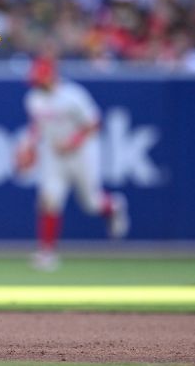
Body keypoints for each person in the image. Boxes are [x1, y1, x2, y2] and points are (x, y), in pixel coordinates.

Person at [16, 56, 130, 271]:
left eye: (39, 77)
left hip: (82, 153)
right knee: (49, 199)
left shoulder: (73, 95)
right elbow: (37, 127)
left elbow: (94, 123)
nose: (36, 82)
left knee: (91, 203)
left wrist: (73, 142)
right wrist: (28, 147)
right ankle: (46, 253)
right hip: (53, 154)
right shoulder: (33, 98)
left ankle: (113, 207)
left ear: (50, 75)